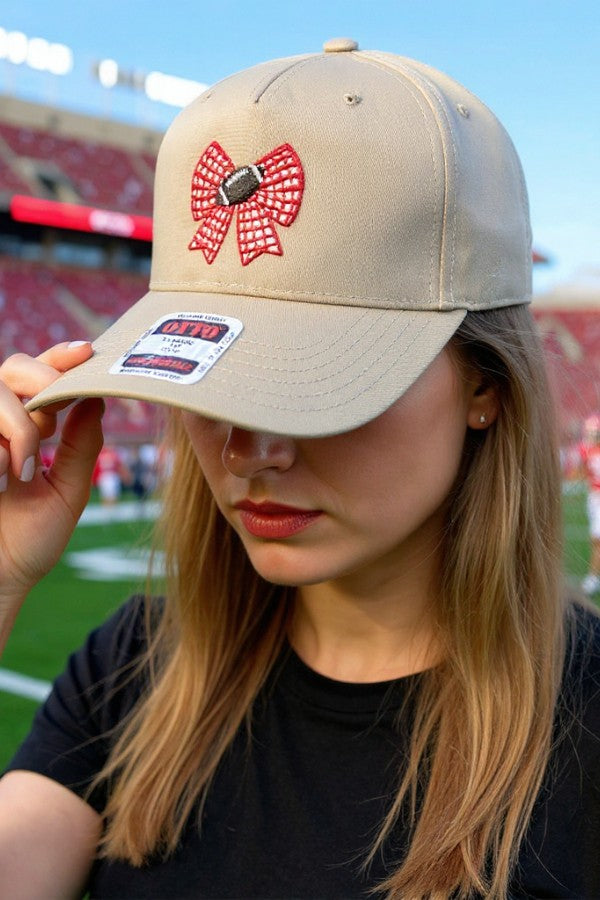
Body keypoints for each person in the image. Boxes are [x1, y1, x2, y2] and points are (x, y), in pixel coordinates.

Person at [0, 38, 599, 900]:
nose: (250, 449)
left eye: (314, 386)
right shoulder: (131, 669)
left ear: (488, 386)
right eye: (212, 376)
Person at [578, 413, 600, 595]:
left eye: (595, 432)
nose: (592, 435)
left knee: (596, 539)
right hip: (593, 498)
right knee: (595, 539)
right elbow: (585, 472)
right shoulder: (587, 450)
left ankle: (593, 577)